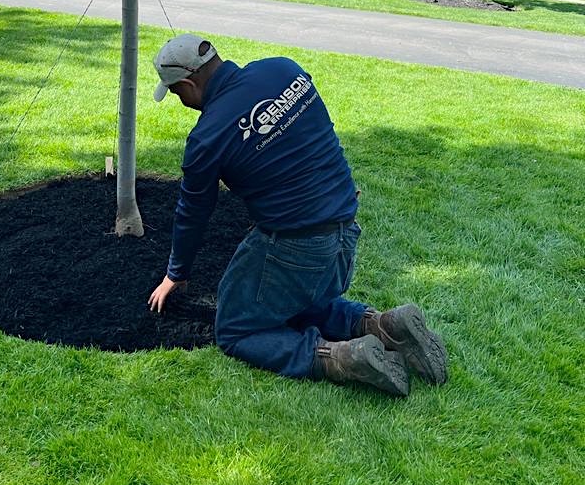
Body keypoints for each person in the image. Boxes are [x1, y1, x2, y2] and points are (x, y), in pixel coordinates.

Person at [147, 33, 447, 397]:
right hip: (345, 231)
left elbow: (192, 213)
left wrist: (175, 274)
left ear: (188, 83)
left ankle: (340, 357)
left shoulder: (207, 139)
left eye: (178, 94)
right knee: (286, 303)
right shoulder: (284, 69)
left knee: (235, 328)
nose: (181, 102)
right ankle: (382, 325)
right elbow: (319, 135)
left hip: (298, 247)